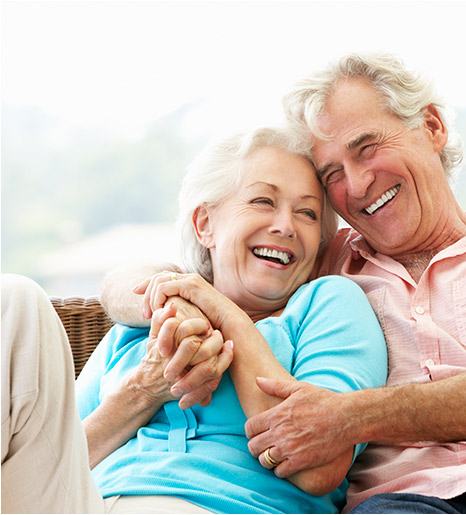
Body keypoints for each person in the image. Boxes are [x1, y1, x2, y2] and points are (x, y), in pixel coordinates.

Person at [101, 53, 466, 513]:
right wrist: (187, 302)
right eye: (332, 173)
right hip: (403, 501)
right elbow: (152, 275)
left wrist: (347, 417)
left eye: (367, 147)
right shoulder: (327, 262)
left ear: (432, 126)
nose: (354, 185)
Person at [1, 127, 388, 513]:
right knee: (13, 299)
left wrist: (226, 319)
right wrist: (143, 391)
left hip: (221, 506)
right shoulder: (144, 321)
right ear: (205, 224)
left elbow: (317, 469)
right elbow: (49, 460)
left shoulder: (328, 305)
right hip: (83, 504)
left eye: (306, 213)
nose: (286, 226)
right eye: (263, 201)